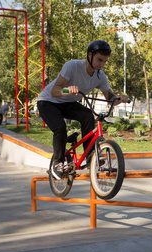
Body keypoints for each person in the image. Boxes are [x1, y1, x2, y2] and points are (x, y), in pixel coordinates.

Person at [37, 40, 129, 180]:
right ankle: (58, 163)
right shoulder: (72, 66)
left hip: (68, 103)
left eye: (105, 61)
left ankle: (90, 155)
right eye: (99, 60)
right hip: (48, 101)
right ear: (89, 55)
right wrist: (68, 89)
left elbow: (110, 97)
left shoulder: (100, 75)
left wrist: (119, 99)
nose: (102, 65)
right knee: (60, 127)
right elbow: (55, 91)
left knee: (87, 115)